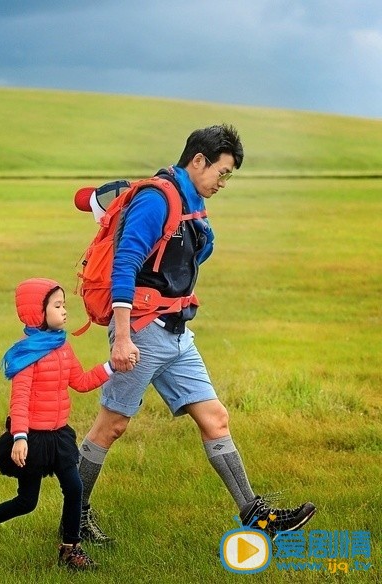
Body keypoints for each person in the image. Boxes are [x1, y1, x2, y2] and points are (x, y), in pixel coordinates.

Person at [75, 125, 316, 544]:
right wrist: (122, 337)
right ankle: (73, 516)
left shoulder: (193, 201)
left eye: (229, 177)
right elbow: (126, 263)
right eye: (221, 173)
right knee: (110, 426)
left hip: (177, 333)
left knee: (215, 418)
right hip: (142, 332)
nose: (223, 183)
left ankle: (256, 515)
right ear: (198, 160)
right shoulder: (157, 200)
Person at [0, 277, 127, 570]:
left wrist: (111, 366)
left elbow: (81, 382)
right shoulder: (28, 353)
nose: (64, 311)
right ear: (38, 313)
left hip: (59, 436)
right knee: (27, 501)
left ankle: (70, 550)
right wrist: (20, 436)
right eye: (57, 306)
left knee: (74, 488)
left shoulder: (63, 347)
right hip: (32, 439)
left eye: (64, 305)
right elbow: (19, 399)